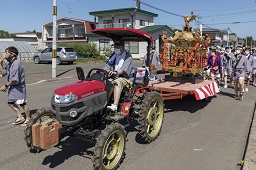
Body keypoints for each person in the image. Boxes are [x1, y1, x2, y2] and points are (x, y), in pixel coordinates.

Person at [0, 46, 31, 126]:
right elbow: (3, 72)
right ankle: (20, 117)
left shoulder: (16, 63)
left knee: (23, 103)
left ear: (12, 54)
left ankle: (28, 119)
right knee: (10, 103)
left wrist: (5, 86)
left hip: (19, 87)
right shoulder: (10, 63)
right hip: (13, 87)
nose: (5, 54)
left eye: (6, 53)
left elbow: (15, 79)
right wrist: (0, 63)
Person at [104, 40, 134, 112]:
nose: (116, 48)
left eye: (118, 46)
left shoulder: (128, 57)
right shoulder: (113, 55)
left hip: (126, 78)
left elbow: (123, 70)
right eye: (115, 46)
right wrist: (107, 71)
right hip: (114, 76)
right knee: (104, 81)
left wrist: (115, 72)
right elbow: (107, 66)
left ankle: (115, 105)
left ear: (122, 47)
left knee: (117, 81)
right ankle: (104, 102)